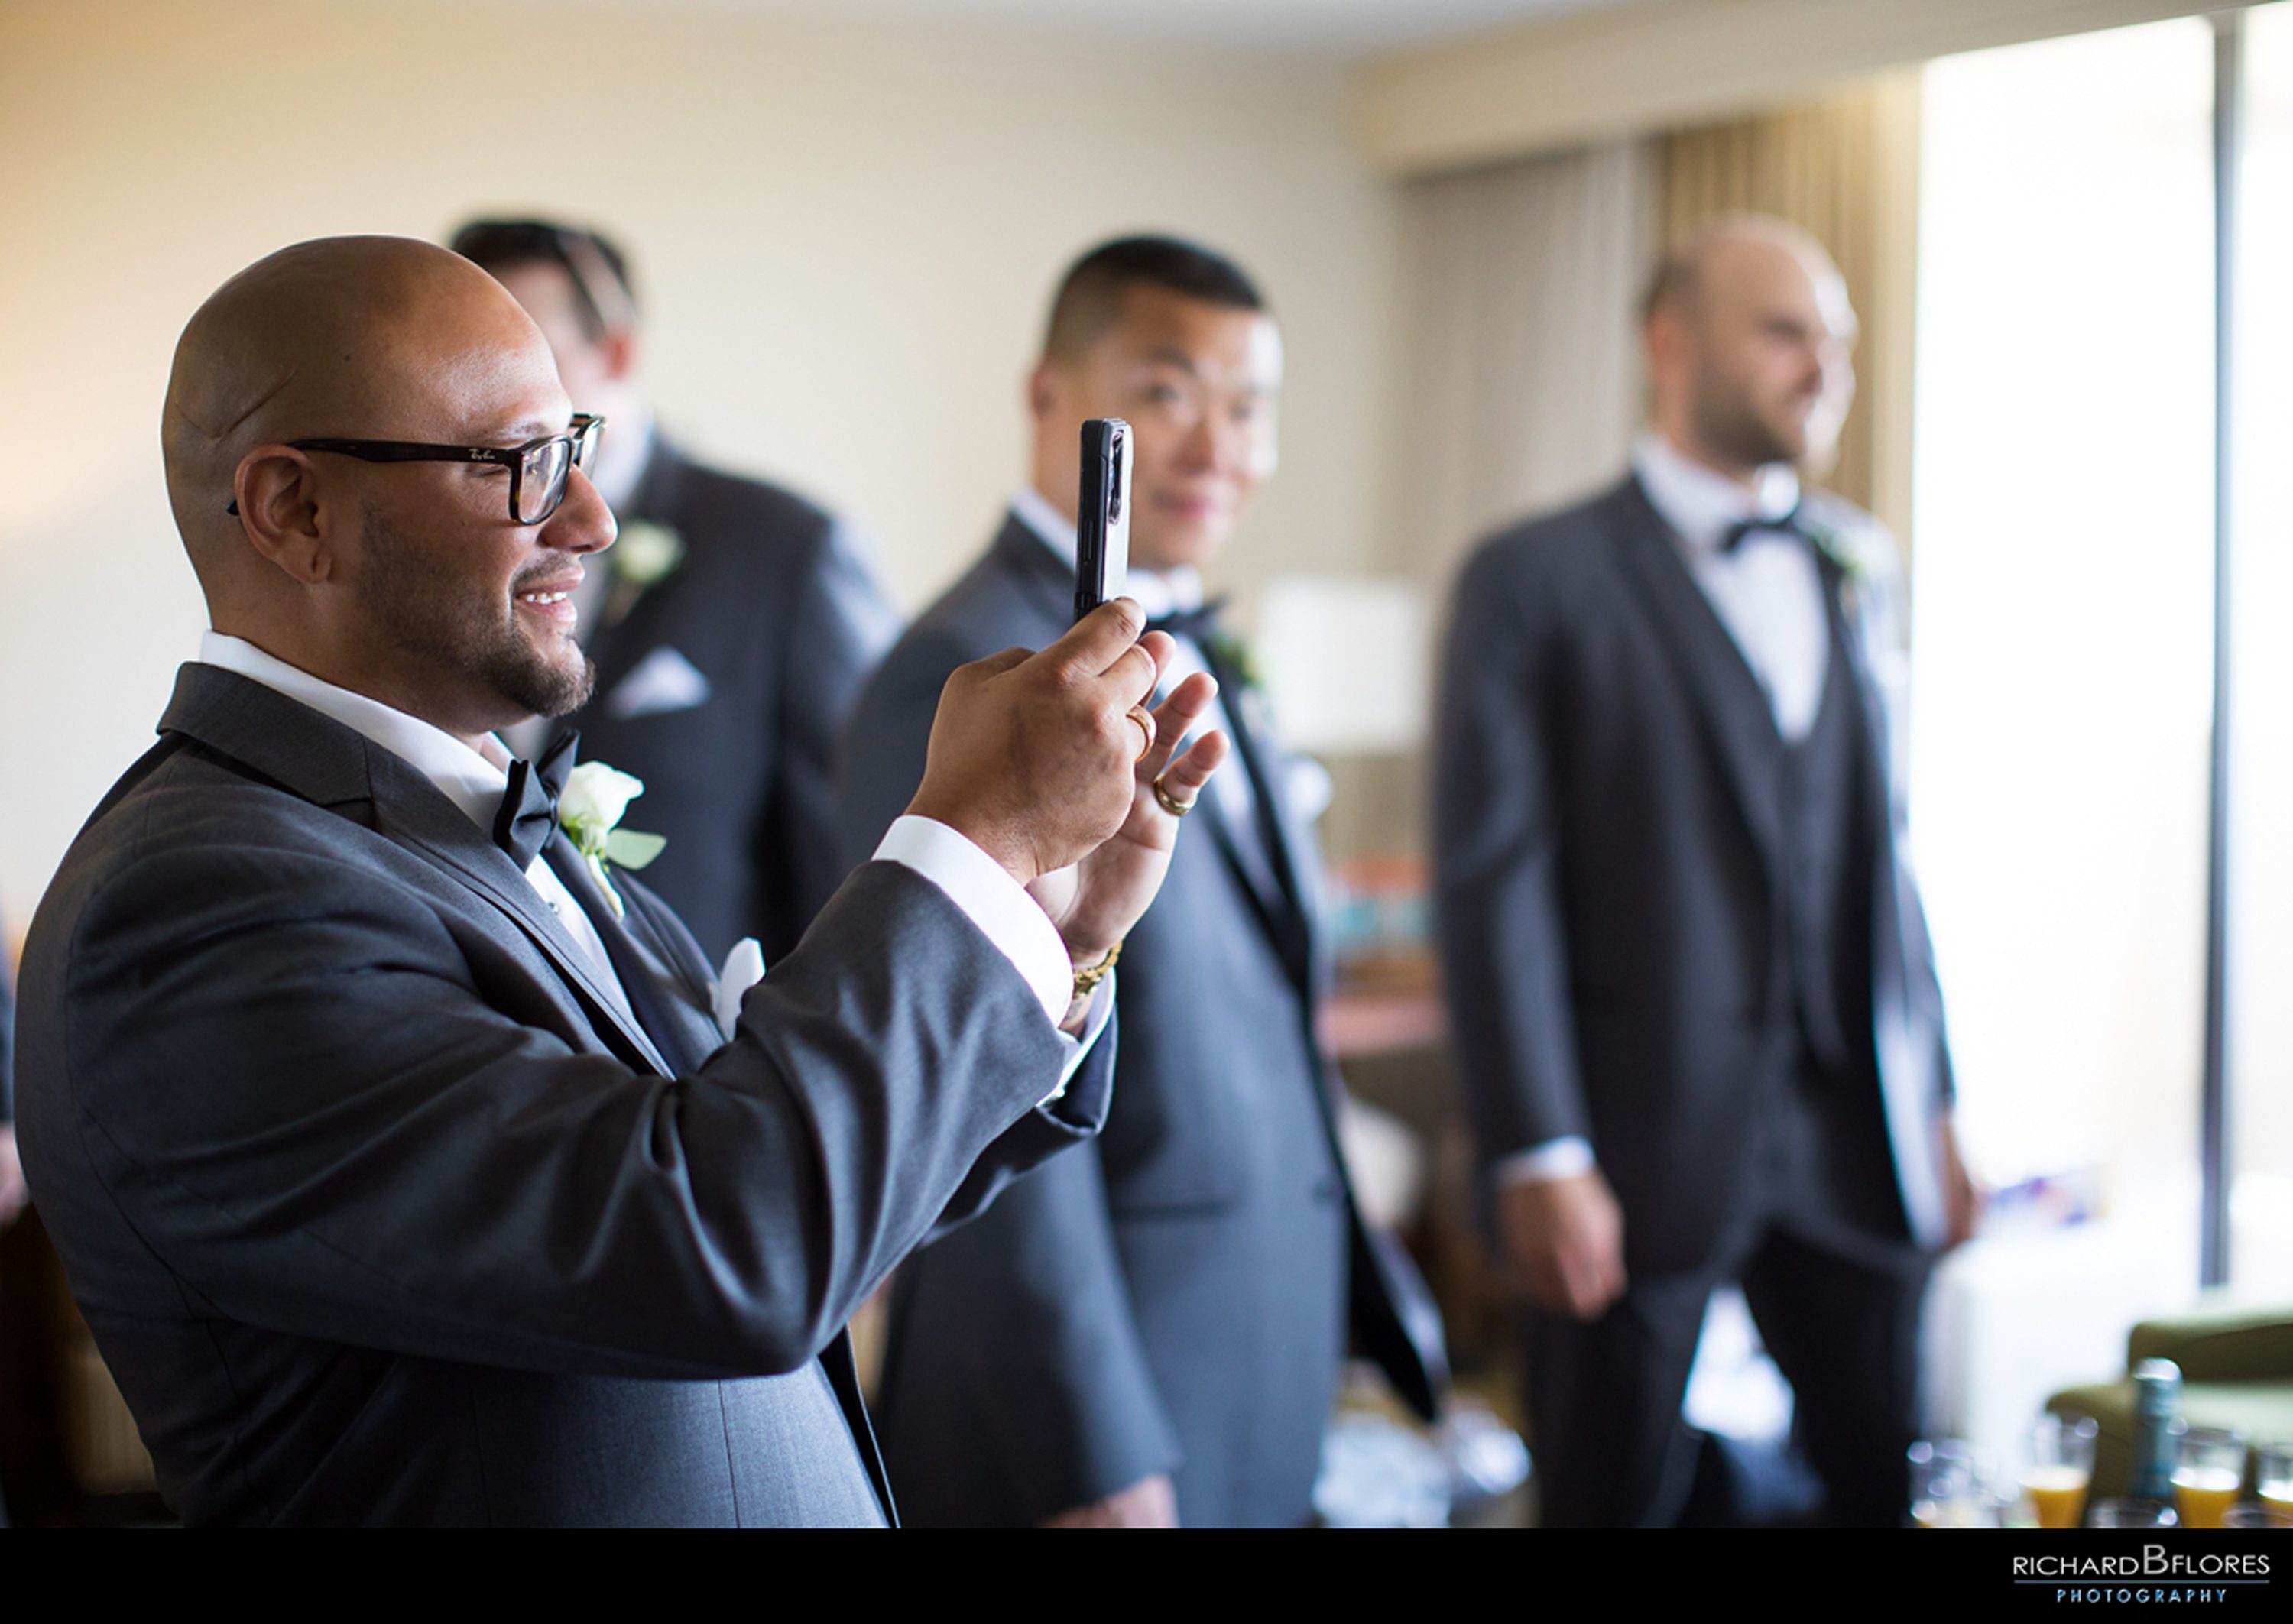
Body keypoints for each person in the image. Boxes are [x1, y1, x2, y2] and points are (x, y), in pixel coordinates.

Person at [13, 235, 1227, 1528]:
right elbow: (719, 1244)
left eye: (577, 446)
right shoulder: (193, 910)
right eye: (521, 465)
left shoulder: (452, 810)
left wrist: (1044, 933)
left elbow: (785, 1158)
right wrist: (971, 848)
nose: (591, 520)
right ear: (295, 510)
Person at [843, 235, 1443, 1529]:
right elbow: (965, 1089)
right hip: (1087, 1415)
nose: (1218, 446)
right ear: (1050, 394)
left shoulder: (1201, 635)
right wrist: (1092, 1453)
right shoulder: (962, 673)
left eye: (1250, 407)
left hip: (1246, 1358)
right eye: (1169, 394)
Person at [1433, 215, 1980, 1528]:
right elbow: (1492, 880)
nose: (1826, 369)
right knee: (1605, 1500)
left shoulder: (1860, 564)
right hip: (1629, 1143)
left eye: (1838, 340)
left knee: (1877, 1487)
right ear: (1669, 343)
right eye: (1787, 331)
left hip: (1853, 1139)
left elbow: (1882, 855)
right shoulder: (1532, 577)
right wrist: (1538, 1147)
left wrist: (1939, 1098)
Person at [448, 218, 899, 969]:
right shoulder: (442, 543)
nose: (488, 396)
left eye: (528, 357)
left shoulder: (783, 547)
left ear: (616, 351)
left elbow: (855, 853)